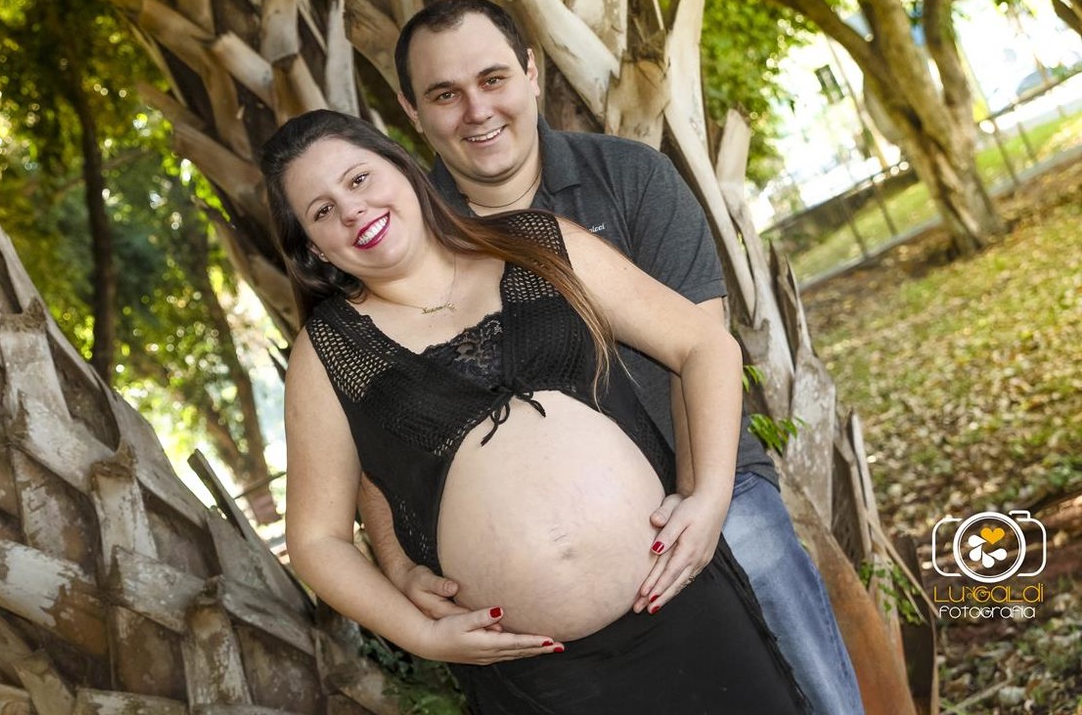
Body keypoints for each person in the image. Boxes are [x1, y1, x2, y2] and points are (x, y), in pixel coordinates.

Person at [355, 0, 863, 715]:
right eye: (445, 94)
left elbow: (701, 356)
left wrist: (702, 507)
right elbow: (371, 436)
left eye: (493, 78)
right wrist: (400, 565)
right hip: (533, 593)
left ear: (532, 73)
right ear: (412, 110)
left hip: (702, 486)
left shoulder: (632, 178)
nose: (477, 110)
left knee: (779, 609)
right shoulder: (404, 248)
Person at [263, 109, 808, 713]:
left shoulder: (537, 242)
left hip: (685, 606)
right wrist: (421, 634)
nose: (351, 210)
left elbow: (703, 344)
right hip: (543, 680)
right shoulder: (328, 354)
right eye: (321, 211)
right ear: (314, 249)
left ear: (400, 165)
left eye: (359, 179)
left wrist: (707, 498)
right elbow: (317, 540)